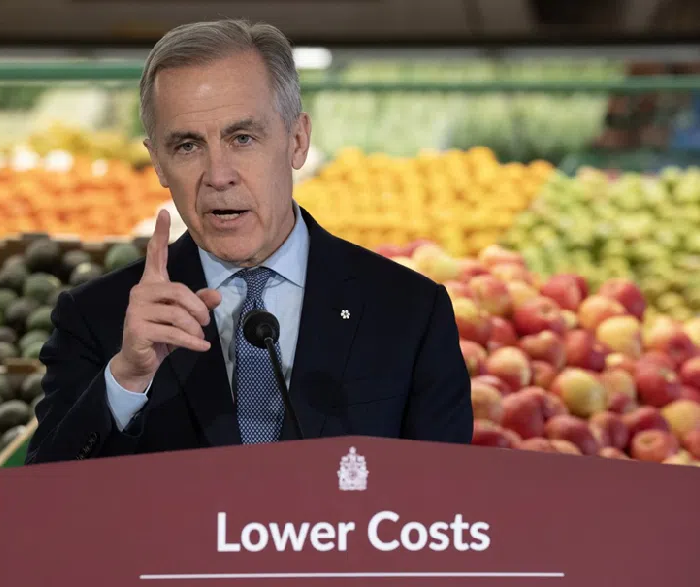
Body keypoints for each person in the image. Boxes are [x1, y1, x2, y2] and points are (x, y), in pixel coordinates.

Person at [25, 19, 472, 465]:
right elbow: (42, 510)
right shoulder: (96, 318)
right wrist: (126, 380)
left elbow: (445, 502)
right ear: (157, 162)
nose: (219, 176)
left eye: (242, 138)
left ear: (297, 141)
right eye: (187, 146)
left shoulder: (409, 310)